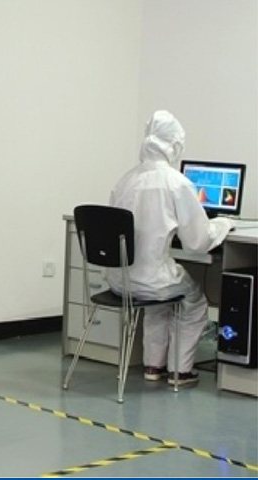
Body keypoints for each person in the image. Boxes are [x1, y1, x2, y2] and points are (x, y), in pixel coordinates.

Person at [106, 110, 233, 386]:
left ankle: (153, 366)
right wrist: (223, 224)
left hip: (120, 281)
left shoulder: (126, 180)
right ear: (173, 145)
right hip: (152, 282)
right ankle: (180, 372)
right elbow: (197, 242)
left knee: (158, 304)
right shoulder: (177, 183)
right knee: (194, 303)